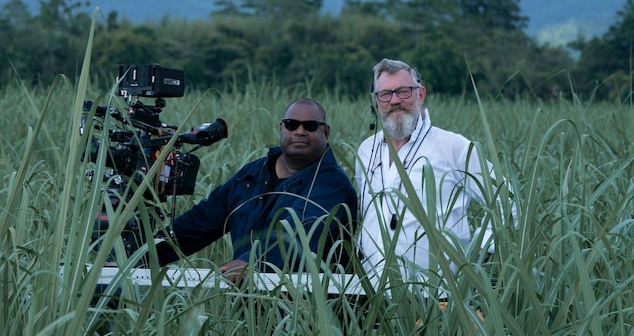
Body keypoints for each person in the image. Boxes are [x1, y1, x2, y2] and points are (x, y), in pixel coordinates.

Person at [156, 98, 358, 282]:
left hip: (305, 311)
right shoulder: (253, 174)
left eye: (310, 126)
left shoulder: (333, 184)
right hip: (248, 311)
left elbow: (298, 231)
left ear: (326, 132)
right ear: (281, 128)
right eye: (292, 124)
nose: (300, 131)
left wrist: (251, 261)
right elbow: (200, 221)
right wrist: (147, 251)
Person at [355, 59, 514, 286]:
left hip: (439, 294)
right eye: (386, 94)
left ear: (420, 95)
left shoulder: (453, 147)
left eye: (404, 91)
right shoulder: (366, 150)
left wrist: (479, 251)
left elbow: (508, 204)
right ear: (376, 102)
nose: (395, 101)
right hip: (371, 290)